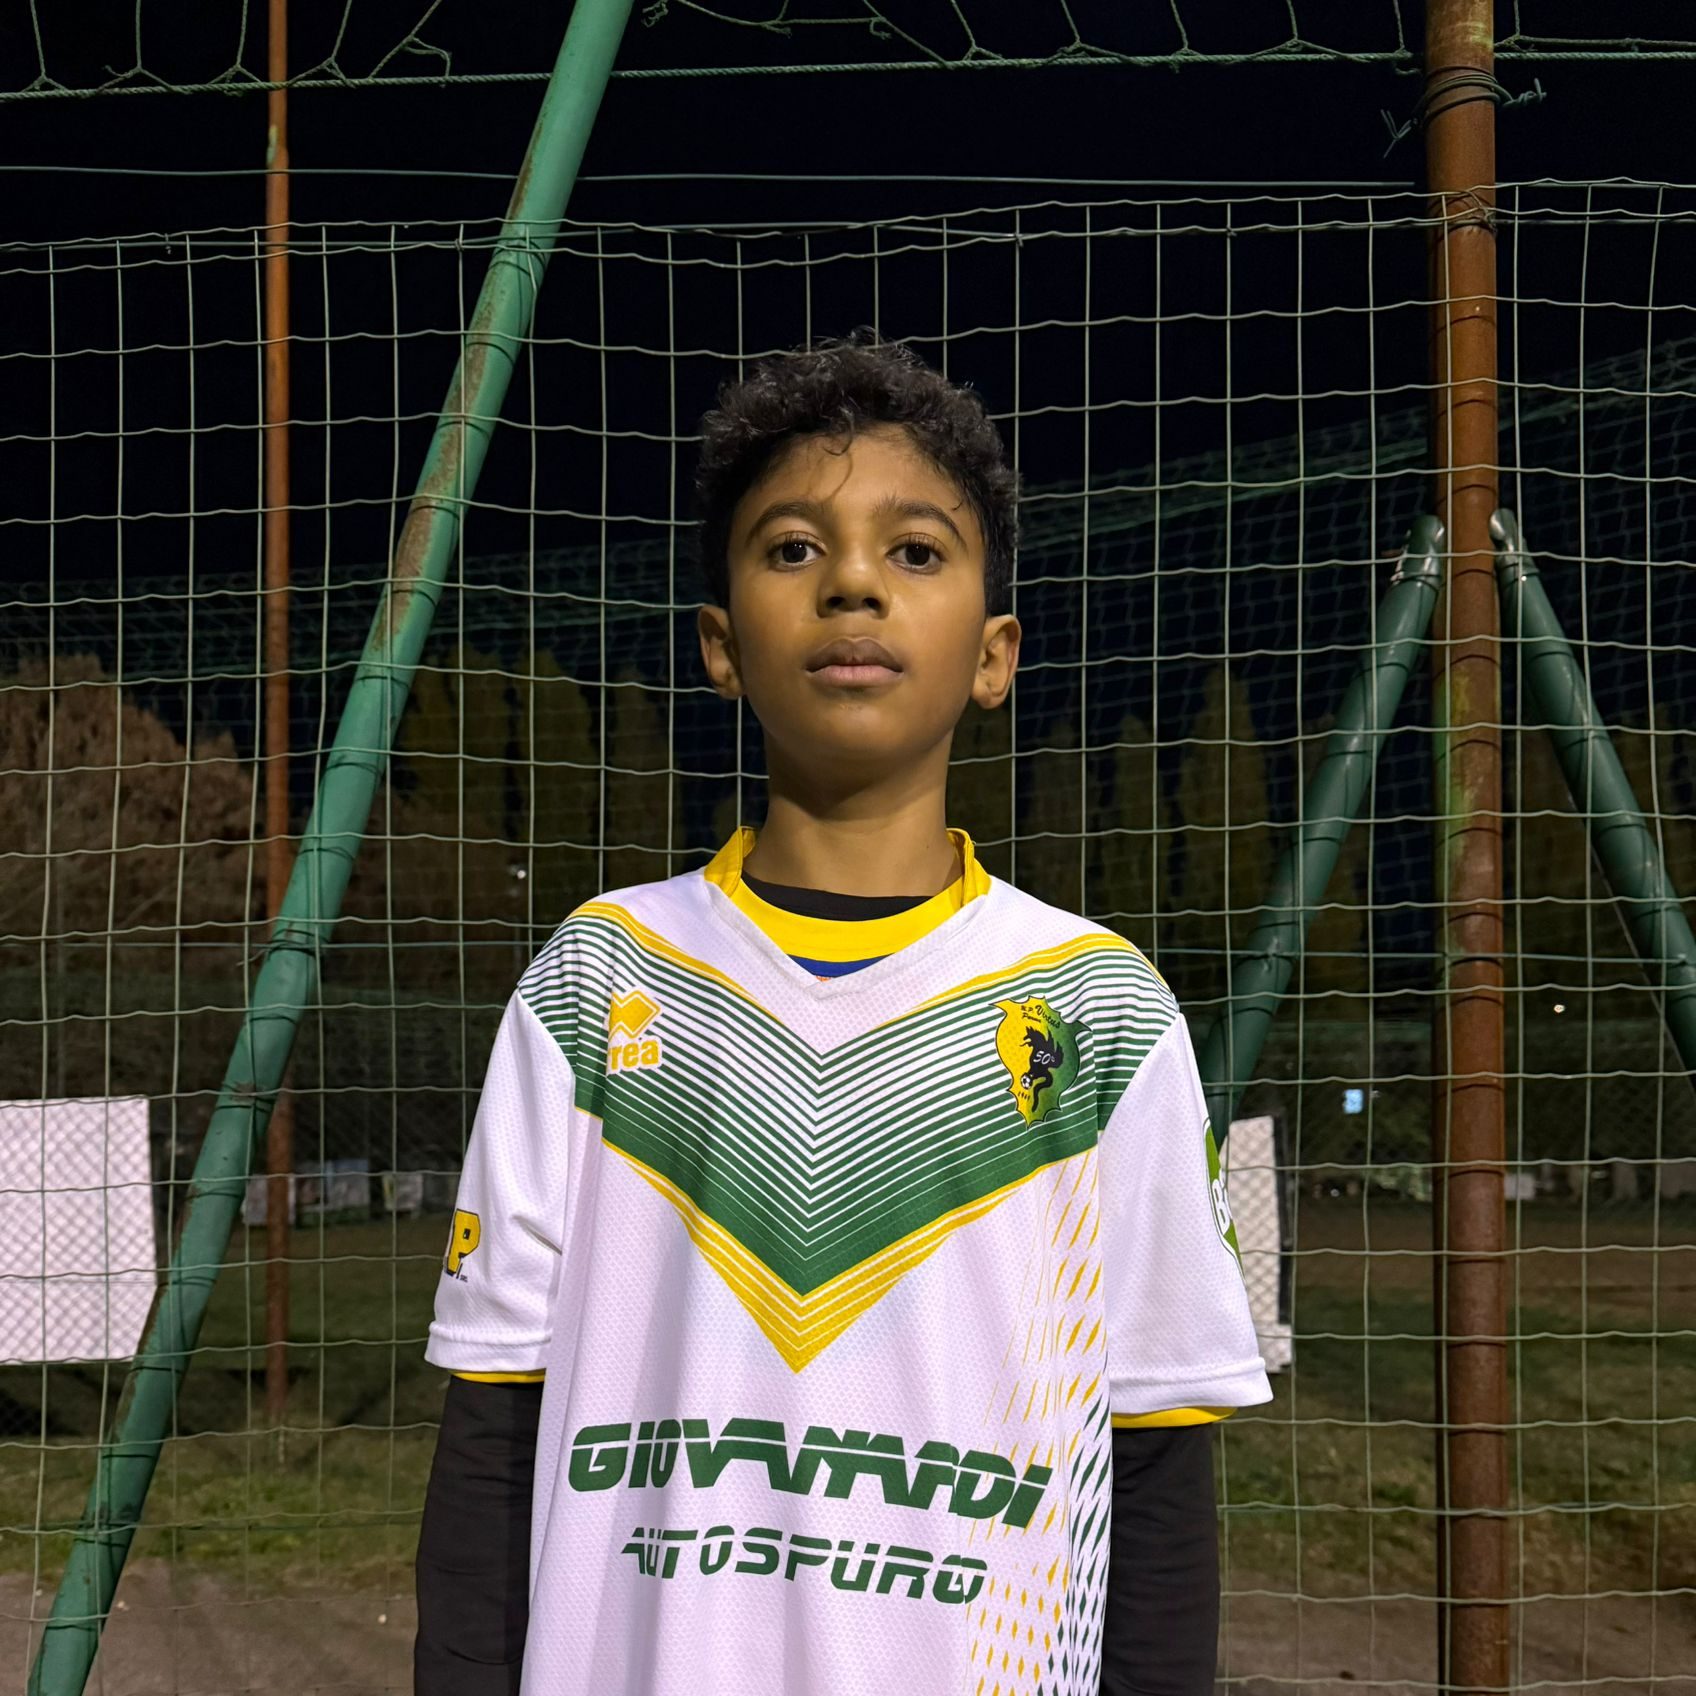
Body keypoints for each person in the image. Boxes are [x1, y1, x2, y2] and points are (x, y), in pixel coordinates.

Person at [414, 333, 1272, 1696]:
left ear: (993, 655)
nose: (854, 581)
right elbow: (489, 1448)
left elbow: (1158, 1465)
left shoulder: (1098, 1010)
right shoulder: (597, 980)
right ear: (721, 645)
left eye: (916, 551)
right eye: (793, 548)